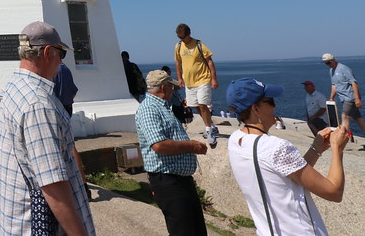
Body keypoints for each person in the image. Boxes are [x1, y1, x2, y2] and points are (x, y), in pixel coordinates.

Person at [0, 21, 95, 236]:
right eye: (61, 54)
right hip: (38, 226)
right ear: (48, 52)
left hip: (14, 220)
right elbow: (53, 184)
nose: (61, 61)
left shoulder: (13, 87)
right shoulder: (38, 105)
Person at [226, 77, 350, 236]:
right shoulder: (276, 147)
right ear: (255, 108)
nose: (275, 105)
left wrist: (315, 149)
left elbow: (289, 176)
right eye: (270, 101)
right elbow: (334, 192)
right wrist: (337, 148)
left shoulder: (235, 141)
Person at [135, 69, 209, 236]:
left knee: (194, 228)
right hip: (168, 181)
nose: (173, 90)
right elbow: (159, 145)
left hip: (179, 180)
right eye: (171, 87)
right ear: (163, 87)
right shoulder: (149, 109)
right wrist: (191, 146)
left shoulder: (162, 107)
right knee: (182, 230)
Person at [322, 53, 365, 148]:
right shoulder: (331, 71)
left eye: (328, 62)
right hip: (343, 99)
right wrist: (332, 98)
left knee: (344, 117)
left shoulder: (344, 69)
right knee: (359, 120)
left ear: (333, 60)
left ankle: (341, 142)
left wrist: (357, 99)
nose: (328, 64)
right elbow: (334, 85)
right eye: (325, 63)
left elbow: (354, 83)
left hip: (349, 98)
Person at [174, 23, 219, 148]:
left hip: (203, 79)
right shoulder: (178, 46)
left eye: (183, 37)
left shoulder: (199, 44)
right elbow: (178, 62)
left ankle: (209, 131)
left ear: (189, 34)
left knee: (203, 105)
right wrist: (179, 78)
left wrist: (214, 79)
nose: (181, 40)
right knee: (196, 106)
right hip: (189, 82)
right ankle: (212, 126)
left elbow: (210, 62)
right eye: (179, 37)